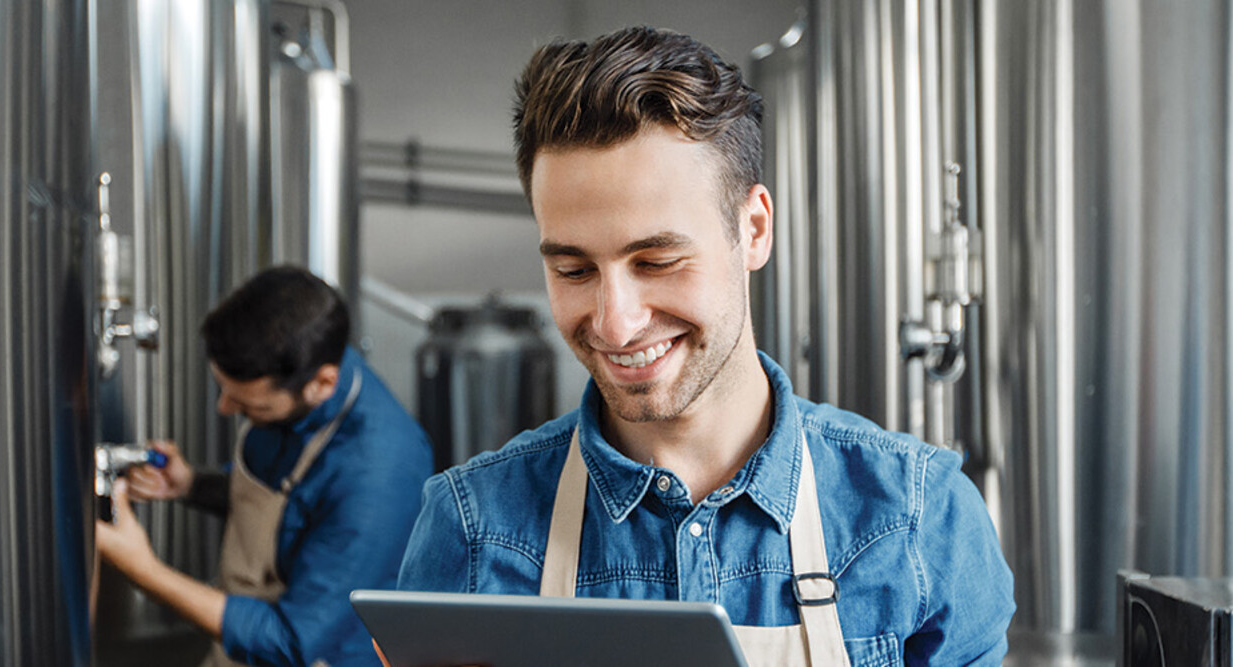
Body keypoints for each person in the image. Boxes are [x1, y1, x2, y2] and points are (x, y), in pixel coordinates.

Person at [394, 27, 1014, 665]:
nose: (615, 323)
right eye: (574, 271)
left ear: (753, 230)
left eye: (657, 260)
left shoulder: (918, 518)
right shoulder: (471, 529)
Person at [98, 266, 433, 667]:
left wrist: (144, 570)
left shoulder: (379, 474)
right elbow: (293, 512)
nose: (225, 409)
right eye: (224, 390)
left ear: (323, 384)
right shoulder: (305, 362)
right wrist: (191, 485)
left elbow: (292, 642)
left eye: (249, 406)